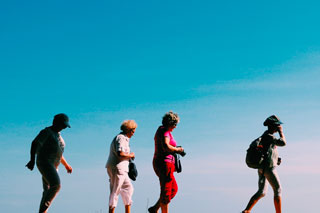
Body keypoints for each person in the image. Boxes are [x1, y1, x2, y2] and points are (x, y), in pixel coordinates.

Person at [26, 113, 73, 213]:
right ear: (55, 122)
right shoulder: (46, 132)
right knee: (56, 185)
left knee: (47, 191)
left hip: (54, 166)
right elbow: (35, 143)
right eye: (63, 125)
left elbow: (59, 154)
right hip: (44, 162)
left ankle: (43, 211)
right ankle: (42, 211)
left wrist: (66, 165)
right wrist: (31, 160)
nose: (64, 128)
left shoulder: (59, 137)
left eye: (65, 126)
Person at [242, 115, 286, 213]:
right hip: (269, 168)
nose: (278, 127)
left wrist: (276, 159)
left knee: (262, 192)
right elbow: (283, 143)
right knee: (278, 189)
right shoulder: (269, 136)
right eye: (277, 125)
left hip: (262, 168)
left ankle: (247, 210)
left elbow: (269, 151)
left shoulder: (266, 136)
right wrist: (281, 132)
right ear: (273, 126)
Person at [148, 111, 184, 213]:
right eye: (175, 124)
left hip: (164, 163)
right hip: (165, 163)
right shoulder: (165, 132)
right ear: (170, 123)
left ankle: (155, 208)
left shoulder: (161, 130)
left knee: (173, 189)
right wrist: (178, 150)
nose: (175, 127)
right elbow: (166, 146)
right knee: (166, 192)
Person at [106, 120, 137, 213]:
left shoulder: (122, 138)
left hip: (121, 168)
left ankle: (127, 211)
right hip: (118, 168)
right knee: (115, 191)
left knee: (128, 188)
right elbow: (120, 153)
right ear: (129, 130)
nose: (133, 134)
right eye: (133, 131)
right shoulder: (122, 138)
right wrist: (131, 155)